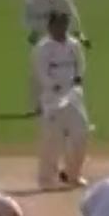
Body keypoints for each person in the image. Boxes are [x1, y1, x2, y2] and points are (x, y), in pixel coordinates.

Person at [31, 11, 91, 190]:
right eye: (58, 24)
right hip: (53, 98)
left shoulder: (73, 44)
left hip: (73, 96)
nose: (62, 28)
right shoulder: (43, 48)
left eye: (64, 24)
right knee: (52, 140)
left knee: (82, 133)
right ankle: (46, 180)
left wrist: (78, 77)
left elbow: (80, 63)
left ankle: (72, 174)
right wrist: (52, 85)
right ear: (50, 26)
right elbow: (40, 72)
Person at [24, 0, 90, 111]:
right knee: (37, 72)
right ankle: (38, 106)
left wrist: (79, 33)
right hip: (42, 41)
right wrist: (34, 32)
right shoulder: (30, 0)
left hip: (60, 38)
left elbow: (71, 13)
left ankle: (70, 104)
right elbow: (28, 21)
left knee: (65, 69)